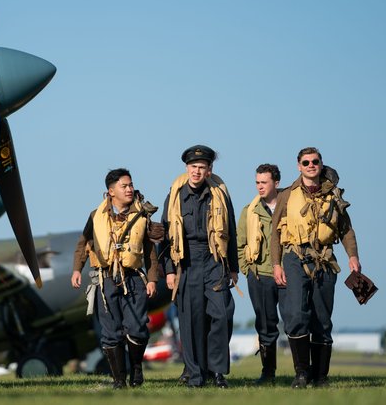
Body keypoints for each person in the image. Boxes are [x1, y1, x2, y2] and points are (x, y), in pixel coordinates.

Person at [270, 147, 361, 388]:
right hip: (294, 256)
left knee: (322, 318)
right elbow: (275, 233)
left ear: (321, 164)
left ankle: (321, 377)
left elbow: (346, 230)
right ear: (298, 166)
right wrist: (276, 264)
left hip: (325, 257)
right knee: (297, 315)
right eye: (306, 162)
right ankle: (302, 373)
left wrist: (353, 256)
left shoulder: (334, 195)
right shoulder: (286, 195)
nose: (311, 165)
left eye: (315, 161)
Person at [71, 168, 158, 389]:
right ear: (111, 191)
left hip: (134, 279)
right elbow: (83, 244)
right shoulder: (95, 216)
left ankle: (136, 367)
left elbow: (150, 251)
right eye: (124, 186)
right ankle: (119, 380)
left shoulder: (142, 214)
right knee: (111, 333)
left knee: (138, 329)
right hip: (105, 280)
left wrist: (152, 279)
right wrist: (76, 270)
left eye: (131, 185)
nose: (130, 189)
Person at [160, 145, 238, 388]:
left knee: (223, 313)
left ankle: (217, 371)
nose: (196, 171)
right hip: (186, 261)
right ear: (187, 168)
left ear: (209, 170)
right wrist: (169, 271)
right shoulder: (175, 195)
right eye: (193, 167)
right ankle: (195, 375)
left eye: (201, 167)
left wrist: (233, 268)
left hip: (215, 259)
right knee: (190, 320)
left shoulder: (220, 194)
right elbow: (163, 237)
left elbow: (231, 230)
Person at [236, 163, 284, 385]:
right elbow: (240, 244)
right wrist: (247, 271)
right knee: (265, 324)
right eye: (257, 182)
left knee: (296, 322)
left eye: (264, 182)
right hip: (259, 275)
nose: (259, 187)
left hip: (288, 273)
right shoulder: (250, 210)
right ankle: (268, 373)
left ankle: (304, 373)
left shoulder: (291, 206)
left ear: (276, 183)